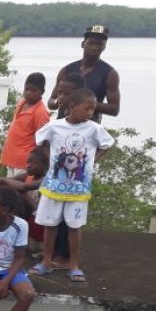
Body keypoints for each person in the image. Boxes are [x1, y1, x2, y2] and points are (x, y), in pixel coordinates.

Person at [31, 88, 115, 283]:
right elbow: (40, 140)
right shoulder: (55, 126)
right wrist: (51, 158)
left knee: (74, 227)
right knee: (50, 224)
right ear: (72, 106)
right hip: (54, 186)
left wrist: (93, 161)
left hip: (78, 188)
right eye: (87, 108)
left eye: (93, 109)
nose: (90, 113)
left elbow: (107, 143)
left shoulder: (93, 129)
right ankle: (46, 261)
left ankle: (73, 264)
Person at [49, 24, 120, 123]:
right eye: (91, 43)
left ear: (104, 47)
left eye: (99, 44)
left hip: (89, 127)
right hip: (62, 126)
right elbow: (51, 101)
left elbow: (114, 109)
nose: (94, 48)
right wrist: (58, 101)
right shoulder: (66, 70)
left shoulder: (110, 74)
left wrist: (84, 102)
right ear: (83, 44)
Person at [0, 72, 51, 176]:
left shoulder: (40, 112)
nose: (29, 93)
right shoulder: (22, 103)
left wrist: (42, 164)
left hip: (25, 162)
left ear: (42, 92)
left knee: (18, 185)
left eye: (33, 90)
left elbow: (43, 140)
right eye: (26, 89)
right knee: (8, 185)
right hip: (11, 157)